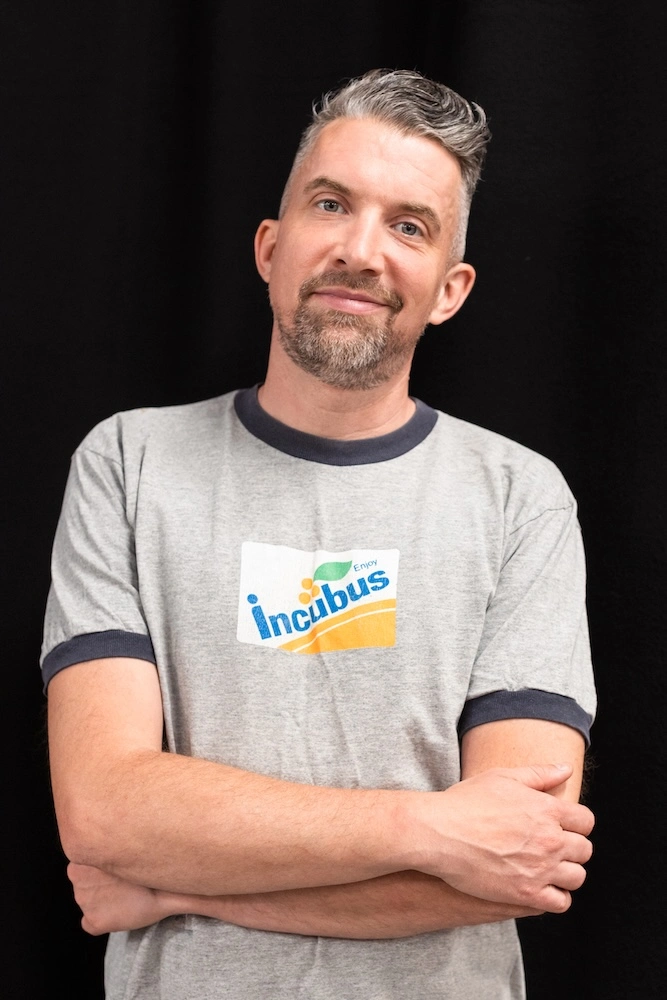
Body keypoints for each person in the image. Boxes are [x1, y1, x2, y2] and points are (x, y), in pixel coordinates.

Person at [42, 67, 597, 999]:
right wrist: (431, 830)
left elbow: (517, 861)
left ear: (450, 289)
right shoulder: (129, 464)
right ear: (270, 246)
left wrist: (172, 886)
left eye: (408, 226)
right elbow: (103, 813)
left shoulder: (520, 499)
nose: (360, 251)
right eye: (331, 205)